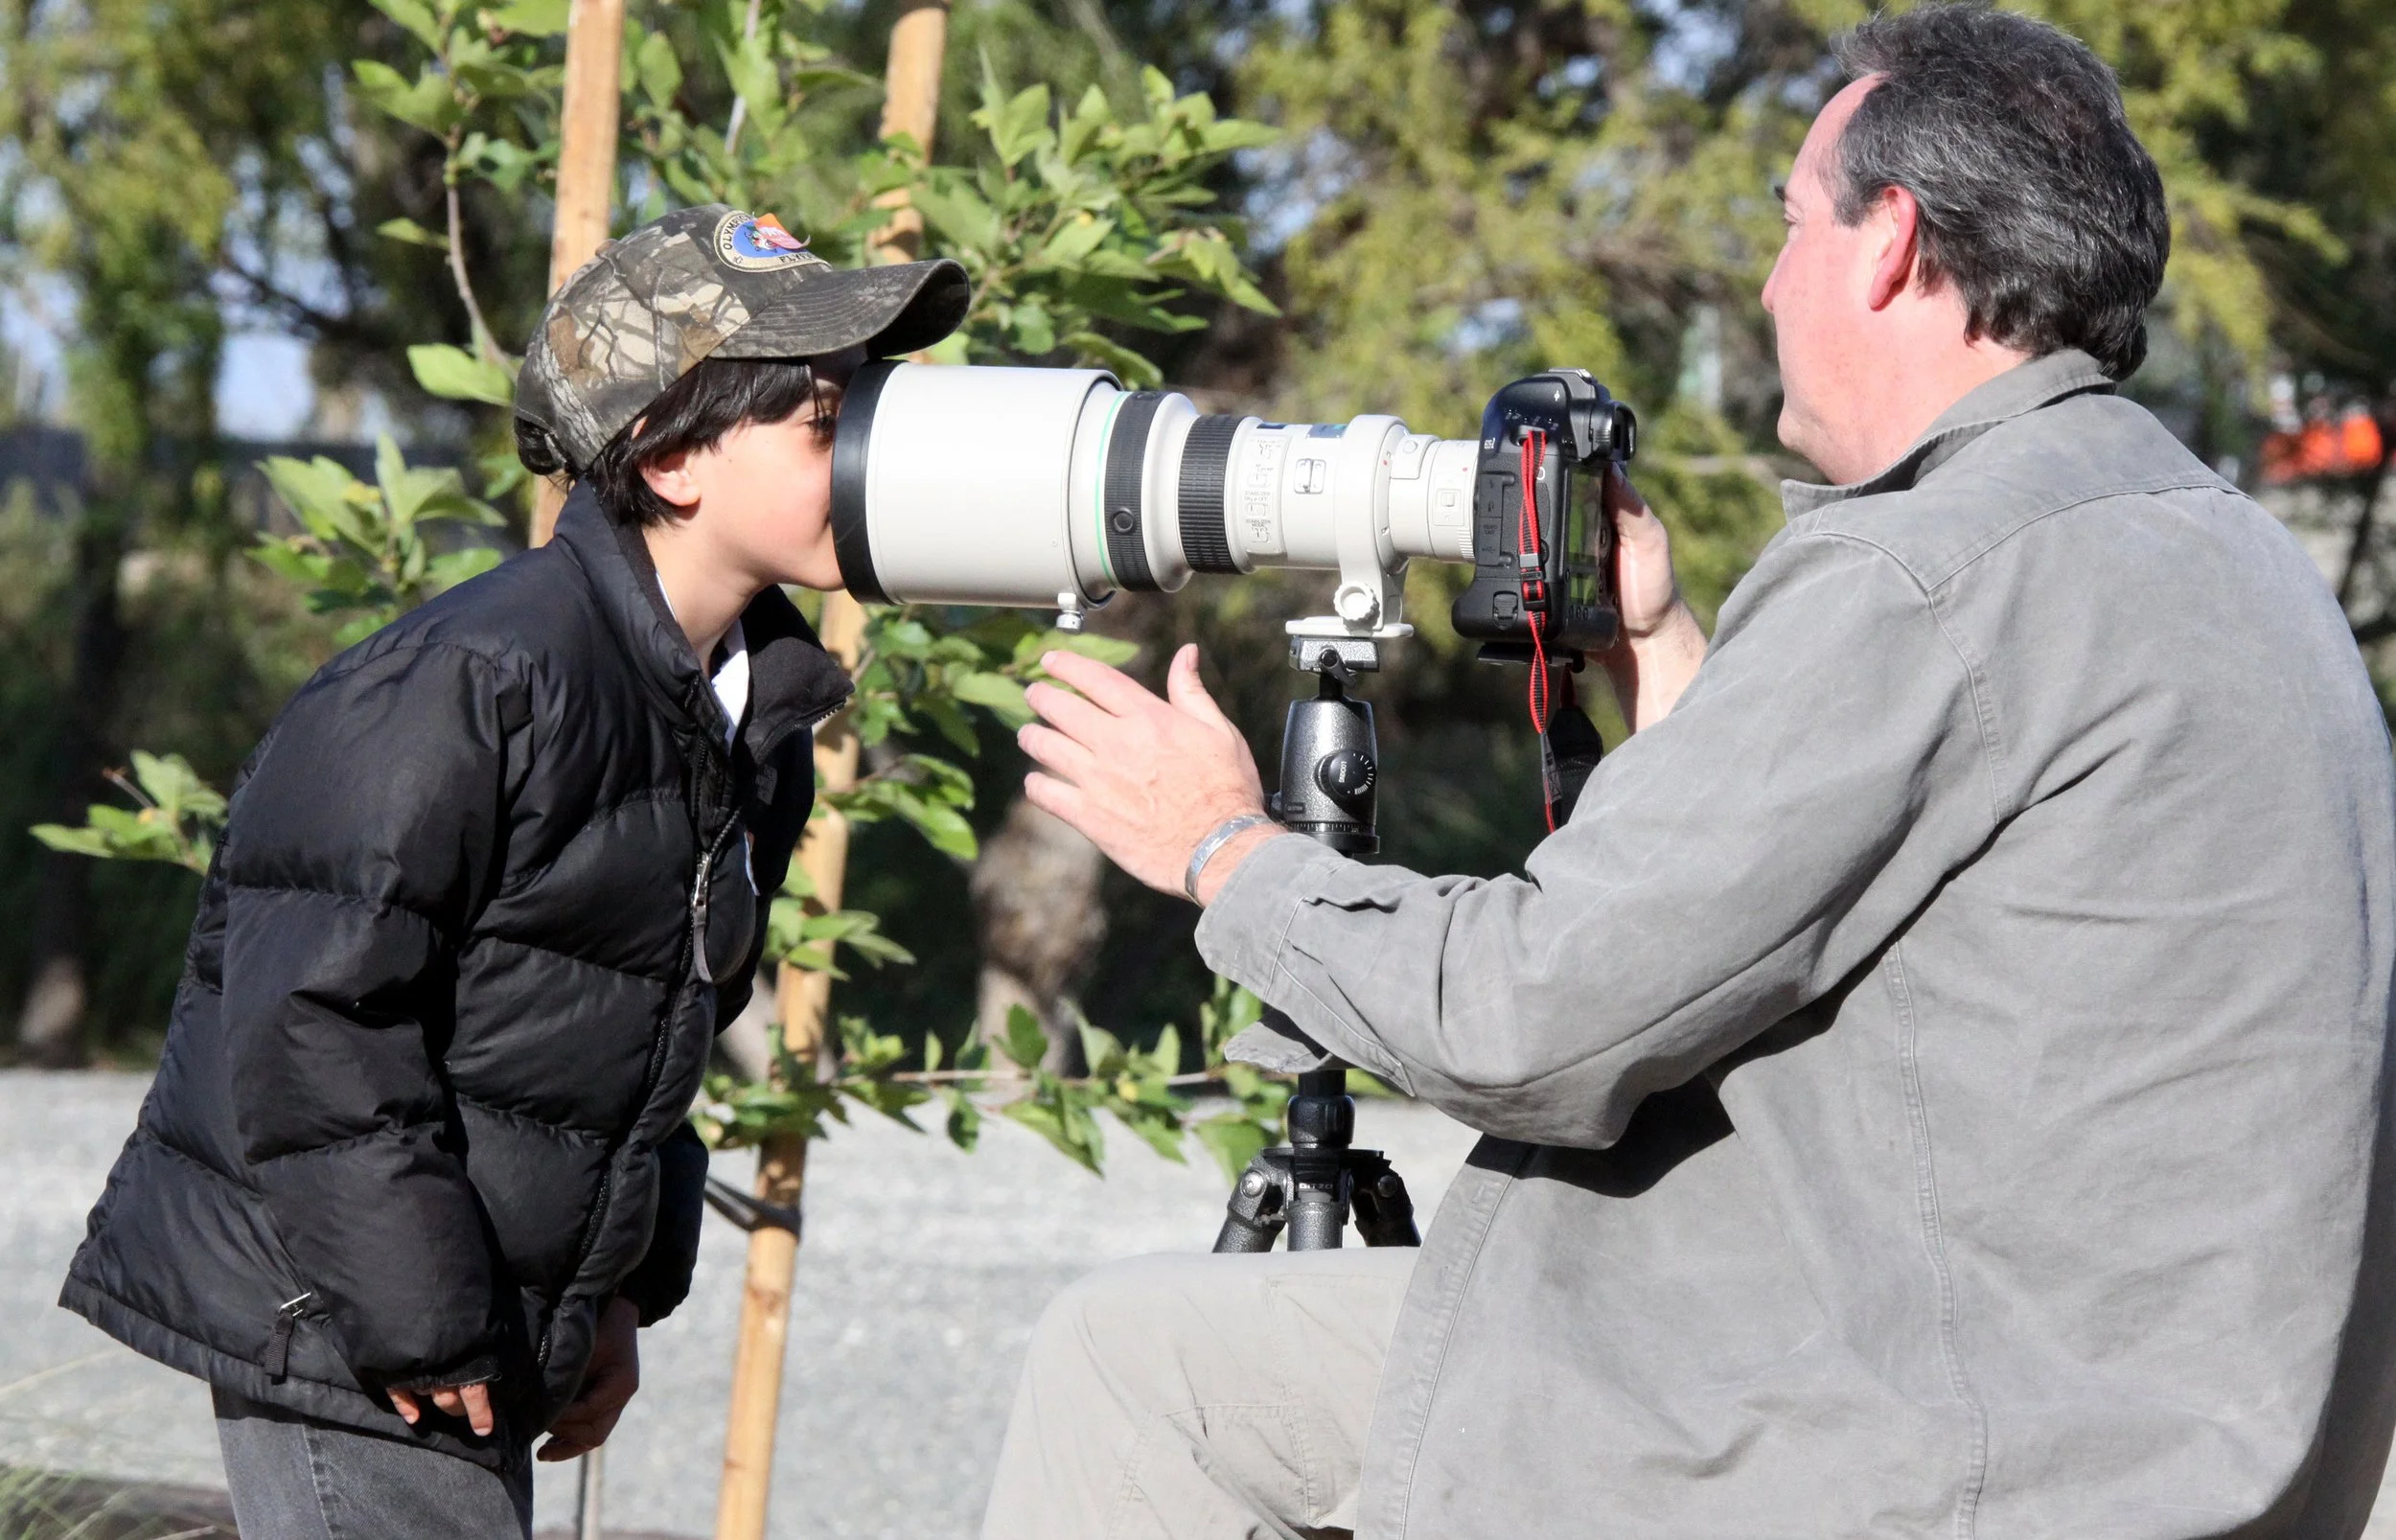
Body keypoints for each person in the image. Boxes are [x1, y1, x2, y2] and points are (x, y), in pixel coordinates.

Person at [992, 7, 2396, 1538]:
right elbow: (1911, 925)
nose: (1773, 275)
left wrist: (1224, 852)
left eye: (1791, 224)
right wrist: (1665, 653)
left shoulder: (1927, 571)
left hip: (1933, 1448)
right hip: (2163, 1431)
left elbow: (1534, 1024)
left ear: (1889, 244)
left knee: (1139, 1366)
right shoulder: (2215, 545)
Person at [58, 205, 967, 1539]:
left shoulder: (746, 717)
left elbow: (639, 1038)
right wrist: (428, 1327)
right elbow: (308, 1024)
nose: (863, 460)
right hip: (353, 1340)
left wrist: (609, 1287)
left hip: (473, 1335)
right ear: (668, 457)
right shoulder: (472, 681)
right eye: (824, 423)